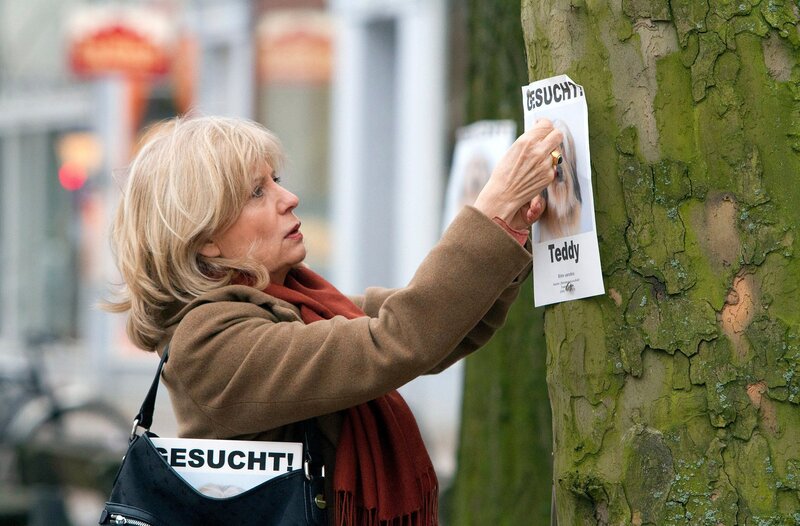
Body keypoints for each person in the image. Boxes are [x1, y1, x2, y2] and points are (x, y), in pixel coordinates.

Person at [106, 115, 562, 525]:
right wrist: (490, 211)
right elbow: (396, 340)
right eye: (257, 192)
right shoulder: (209, 344)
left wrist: (507, 229)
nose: (289, 198)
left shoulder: (297, 306)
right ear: (205, 237)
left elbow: (438, 330)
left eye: (275, 180)